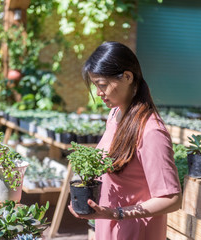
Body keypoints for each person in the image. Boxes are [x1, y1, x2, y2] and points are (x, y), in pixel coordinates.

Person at [68, 41, 182, 240]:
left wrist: (117, 213)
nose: (98, 93)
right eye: (95, 85)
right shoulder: (115, 115)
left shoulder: (151, 131)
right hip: (109, 228)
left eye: (102, 85)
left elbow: (171, 199)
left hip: (135, 232)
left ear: (128, 77)